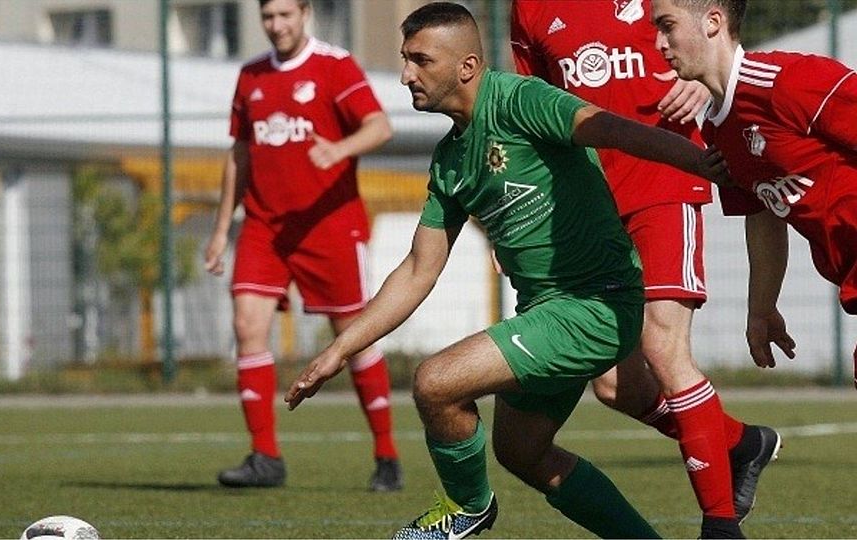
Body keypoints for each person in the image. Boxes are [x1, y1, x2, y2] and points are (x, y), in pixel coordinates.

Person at [286, 2, 729, 538]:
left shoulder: (520, 99)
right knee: (521, 452)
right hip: (546, 313)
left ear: (466, 67)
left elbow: (610, 129)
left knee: (435, 382)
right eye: (405, 60)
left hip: (595, 304)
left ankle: (468, 507)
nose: (406, 75)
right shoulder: (450, 159)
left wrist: (698, 159)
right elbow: (417, 271)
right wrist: (340, 349)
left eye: (420, 60)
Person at [510, 1, 779, 536]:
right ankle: (739, 443)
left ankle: (721, 526)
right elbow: (532, 112)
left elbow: (721, 29)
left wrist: (707, 80)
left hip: (665, 182)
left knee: (663, 345)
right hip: (587, 207)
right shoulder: (529, 8)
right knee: (614, 386)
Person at [203, 0, 402, 491]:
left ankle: (386, 455)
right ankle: (265, 457)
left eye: (286, 15)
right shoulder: (250, 76)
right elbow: (240, 154)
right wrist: (219, 226)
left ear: (305, 13)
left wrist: (340, 148)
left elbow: (380, 126)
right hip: (264, 228)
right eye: (268, 16)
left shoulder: (335, 66)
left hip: (328, 227)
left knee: (353, 337)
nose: (277, 25)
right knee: (247, 326)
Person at [652, 0, 857, 385]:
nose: (659, 43)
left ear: (713, 22)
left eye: (668, 26)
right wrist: (761, 309)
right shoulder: (718, 133)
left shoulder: (789, 81)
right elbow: (763, 216)